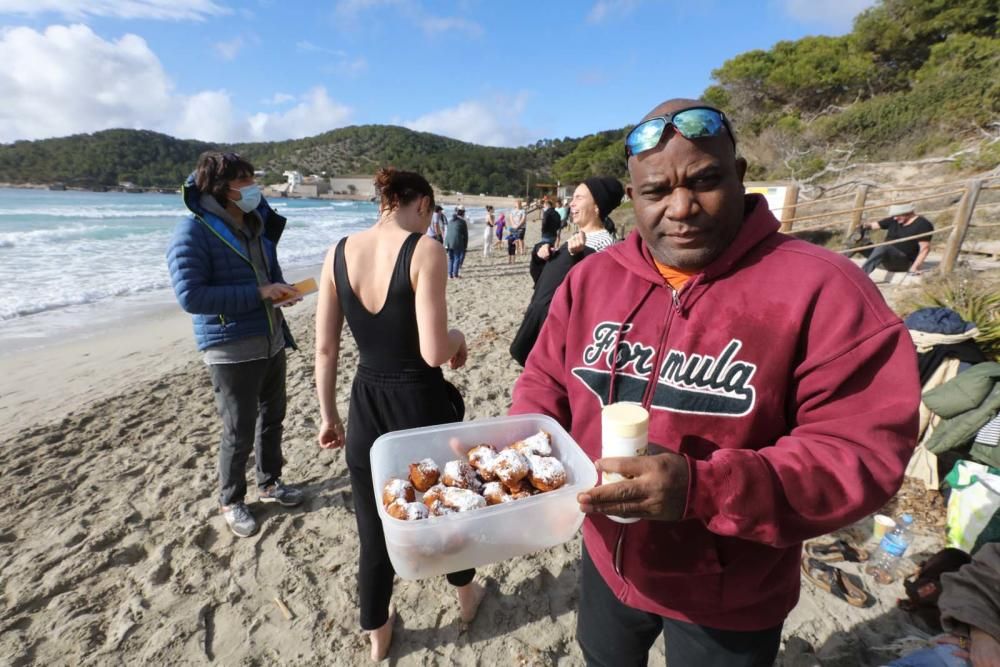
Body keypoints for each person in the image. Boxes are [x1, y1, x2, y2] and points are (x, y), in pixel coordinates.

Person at [510, 100, 921, 666]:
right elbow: (544, 378)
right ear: (633, 200)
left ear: (741, 175)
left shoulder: (823, 289)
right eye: (657, 192)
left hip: (731, 589)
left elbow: (861, 451)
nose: (682, 208)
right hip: (606, 556)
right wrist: (519, 446)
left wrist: (704, 489)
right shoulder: (593, 280)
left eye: (705, 181)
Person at [314, 168, 484, 661]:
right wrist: (460, 342)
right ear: (424, 205)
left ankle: (377, 629)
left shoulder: (336, 253)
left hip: (365, 401)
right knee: (446, 508)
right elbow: (433, 350)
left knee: (373, 524)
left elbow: (326, 350)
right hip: (420, 402)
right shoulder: (424, 250)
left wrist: (328, 417)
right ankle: (466, 595)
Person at [166, 151, 305, 539]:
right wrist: (260, 292)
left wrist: (280, 293)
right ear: (221, 188)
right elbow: (191, 296)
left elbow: (266, 279)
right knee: (238, 428)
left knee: (272, 417)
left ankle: (270, 482)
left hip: (271, 338)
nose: (253, 188)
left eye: (252, 179)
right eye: (244, 181)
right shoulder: (193, 231)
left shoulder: (258, 225)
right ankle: (232, 498)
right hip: (230, 346)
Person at [513, 177, 625, 365]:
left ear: (597, 206)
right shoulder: (581, 237)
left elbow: (597, 297)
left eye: (579, 198)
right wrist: (541, 256)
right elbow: (546, 280)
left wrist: (577, 257)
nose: (571, 203)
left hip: (558, 338)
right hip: (541, 326)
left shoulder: (604, 245)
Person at [861, 202, 934, 277]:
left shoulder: (923, 224)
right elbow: (874, 225)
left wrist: (914, 268)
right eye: (894, 216)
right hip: (886, 259)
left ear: (908, 213)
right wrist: (863, 227)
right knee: (857, 242)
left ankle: (861, 275)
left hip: (903, 263)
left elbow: (925, 249)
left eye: (898, 215)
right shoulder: (894, 220)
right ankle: (847, 269)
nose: (895, 218)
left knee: (884, 246)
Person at [445, 204, 469, 279]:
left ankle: (449, 275)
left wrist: (446, 244)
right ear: (463, 213)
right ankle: (455, 275)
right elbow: (465, 235)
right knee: (457, 258)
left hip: (448, 242)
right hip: (457, 242)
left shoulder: (450, 221)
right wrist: (465, 246)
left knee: (451, 259)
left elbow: (447, 232)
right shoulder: (462, 222)